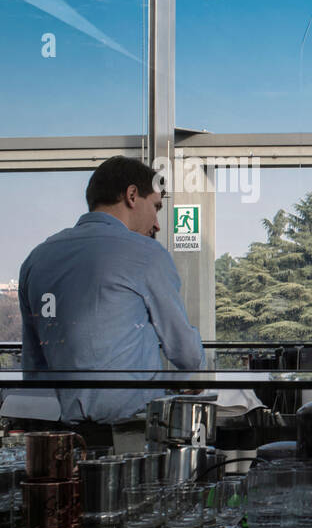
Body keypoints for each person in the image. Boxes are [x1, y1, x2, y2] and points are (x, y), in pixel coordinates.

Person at [18, 156, 205, 445]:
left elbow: (33, 365)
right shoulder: (145, 254)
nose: (157, 224)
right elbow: (187, 356)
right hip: (130, 434)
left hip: (59, 437)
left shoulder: (37, 258)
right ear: (132, 195)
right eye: (156, 207)